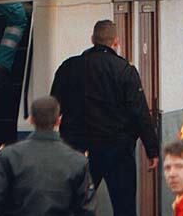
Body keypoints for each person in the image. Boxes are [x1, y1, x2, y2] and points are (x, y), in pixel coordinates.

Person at [50, 19, 159, 216]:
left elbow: (53, 106)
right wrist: (152, 150)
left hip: (77, 148)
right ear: (116, 41)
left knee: (74, 205)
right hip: (117, 150)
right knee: (123, 206)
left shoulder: (68, 67)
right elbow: (139, 113)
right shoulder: (125, 70)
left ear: (92, 39)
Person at [0, 96, 95, 216]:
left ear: (31, 120)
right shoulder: (78, 161)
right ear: (59, 120)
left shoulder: (10, 155)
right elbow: (86, 209)